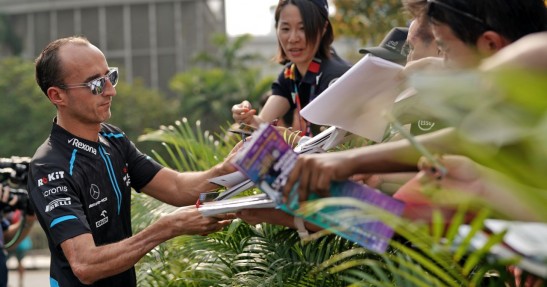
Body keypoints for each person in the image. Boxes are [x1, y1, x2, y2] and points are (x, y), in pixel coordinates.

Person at [282, 0, 547, 206]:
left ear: (490, 44)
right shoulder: (507, 115)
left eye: (447, 50)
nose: (439, 63)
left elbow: (394, 225)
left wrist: (351, 164)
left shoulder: (535, 59)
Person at [28, 36, 240, 287]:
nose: (111, 90)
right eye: (96, 84)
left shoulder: (112, 138)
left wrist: (230, 168)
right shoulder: (49, 167)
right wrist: (167, 227)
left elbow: (176, 187)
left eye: (110, 77)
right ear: (57, 96)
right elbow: (85, 265)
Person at [231, 0, 351, 137]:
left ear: (323, 28)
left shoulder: (337, 77)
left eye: (303, 28)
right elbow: (261, 125)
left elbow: (349, 143)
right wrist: (247, 117)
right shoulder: (290, 74)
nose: (293, 38)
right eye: (286, 29)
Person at [6, 210, 33, 287]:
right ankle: (20, 283)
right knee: (20, 262)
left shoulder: (11, 212)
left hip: (12, 240)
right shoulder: (21, 211)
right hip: (20, 241)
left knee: (4, 261)